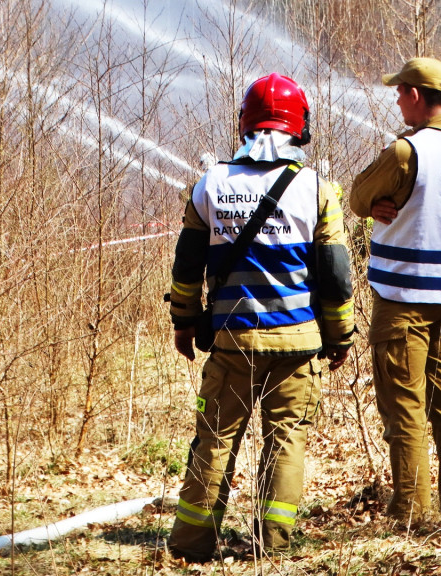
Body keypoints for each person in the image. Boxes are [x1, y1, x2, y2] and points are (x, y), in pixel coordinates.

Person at [166, 73, 355, 561]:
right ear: (300, 128)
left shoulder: (209, 185)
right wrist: (340, 337)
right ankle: (269, 548)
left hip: (231, 344)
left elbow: (186, 267)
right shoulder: (317, 189)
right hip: (297, 346)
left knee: (213, 441)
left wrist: (184, 322)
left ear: (245, 123)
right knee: (285, 443)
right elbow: (335, 279)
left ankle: (190, 546)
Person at [348, 57, 441, 523]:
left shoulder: (407, 151)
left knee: (403, 405)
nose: (396, 99)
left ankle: (411, 512)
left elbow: (357, 197)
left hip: (404, 302)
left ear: (416, 95)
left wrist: (379, 204)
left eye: (400, 91)